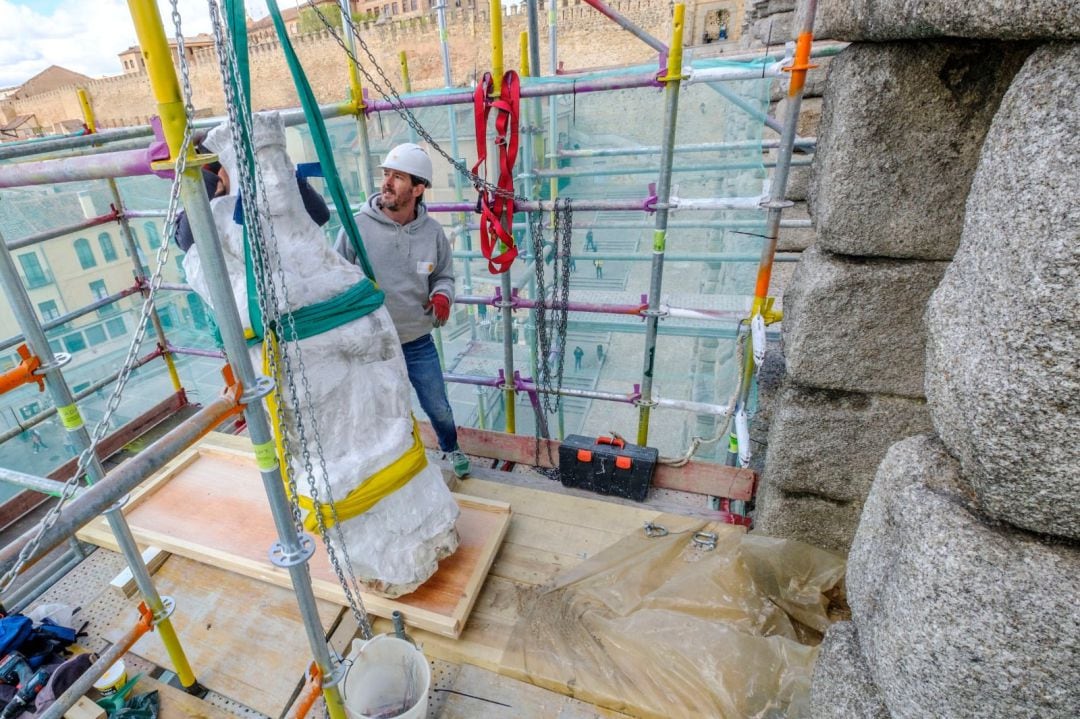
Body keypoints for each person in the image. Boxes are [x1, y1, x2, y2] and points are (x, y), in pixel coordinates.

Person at [334, 143, 470, 478]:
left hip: (416, 340)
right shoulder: (357, 227)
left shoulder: (433, 234)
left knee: (437, 405)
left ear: (419, 188)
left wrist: (443, 297)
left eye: (397, 177)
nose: (387, 183)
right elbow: (334, 275)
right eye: (386, 175)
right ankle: (393, 464)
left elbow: (444, 276)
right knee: (383, 409)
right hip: (372, 344)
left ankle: (451, 449)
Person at [174, 144, 330, 252]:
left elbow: (320, 215)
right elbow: (187, 242)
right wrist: (208, 185)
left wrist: (285, 174)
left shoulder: (269, 196)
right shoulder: (203, 212)